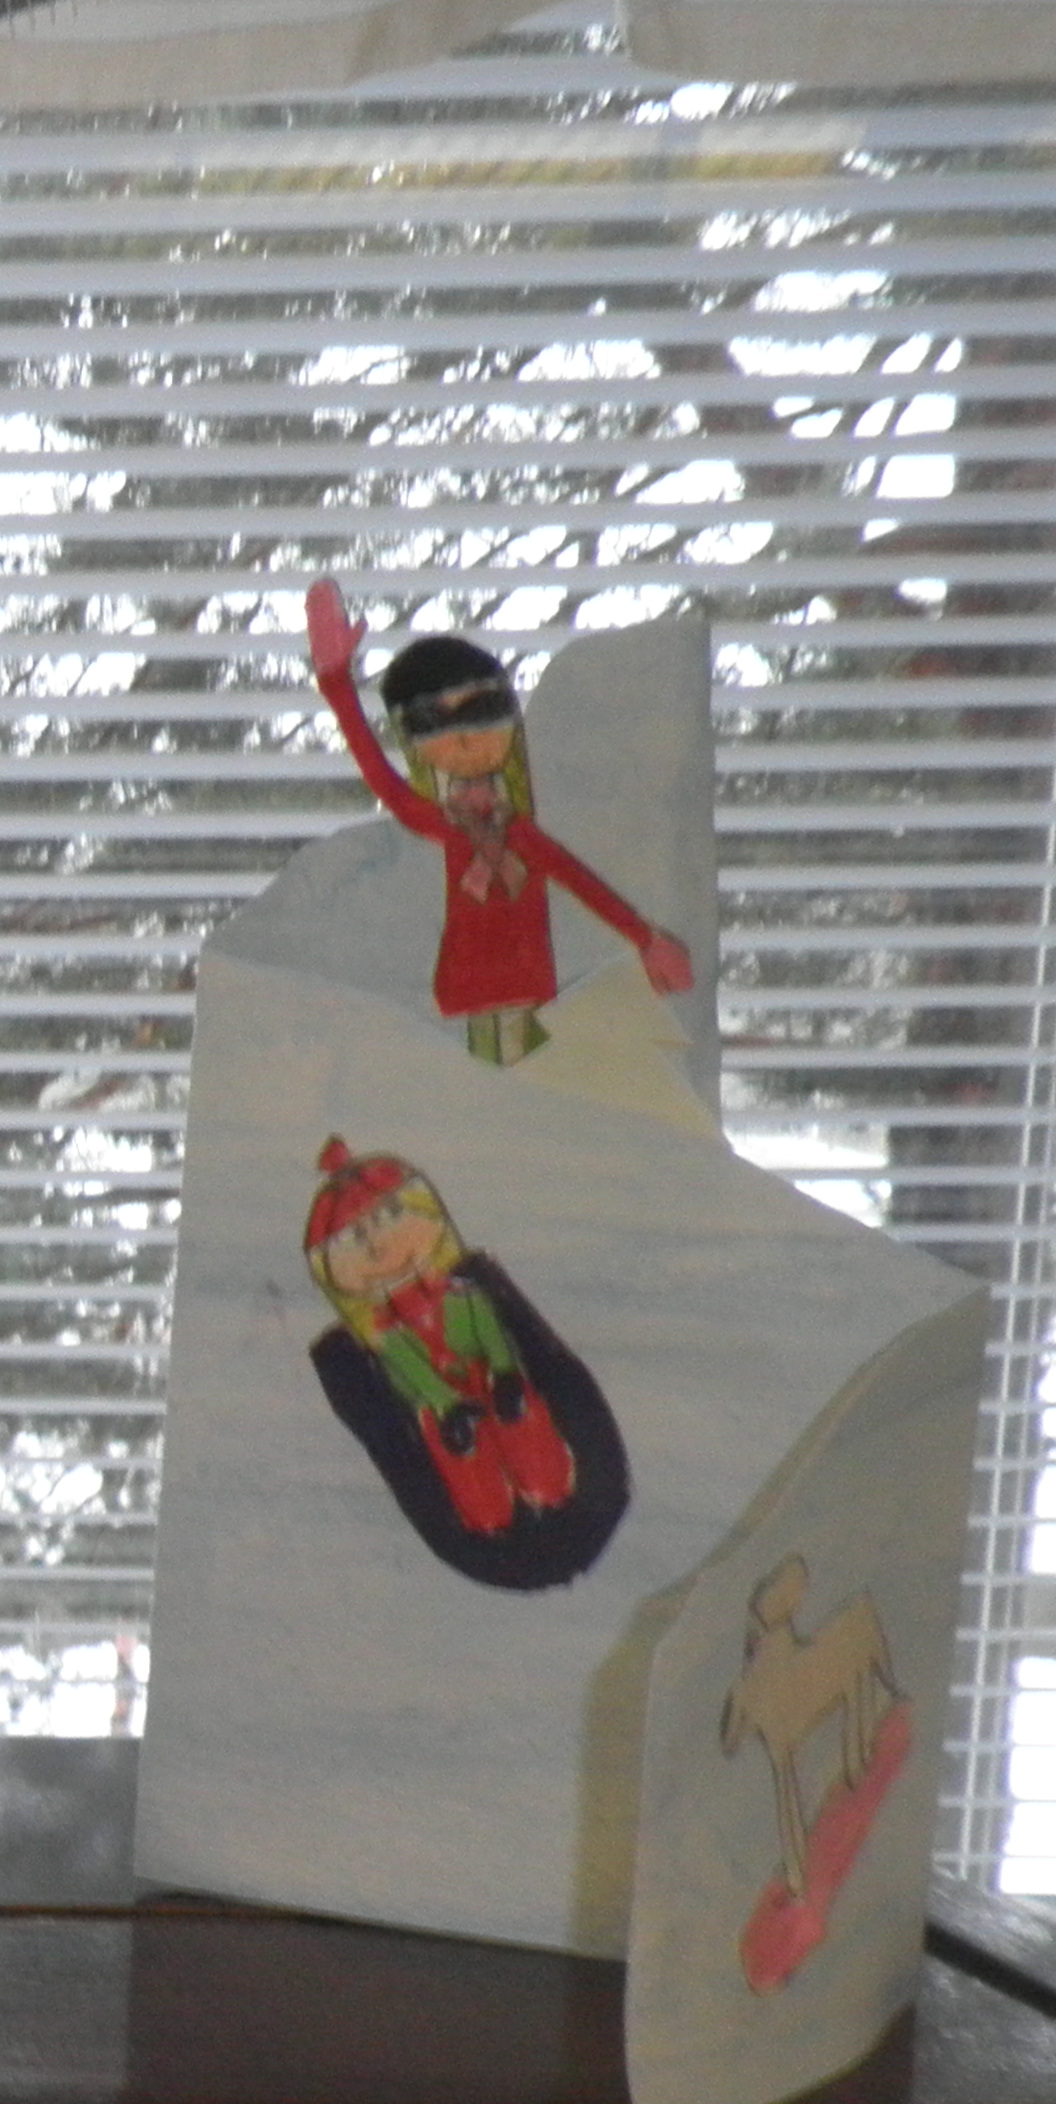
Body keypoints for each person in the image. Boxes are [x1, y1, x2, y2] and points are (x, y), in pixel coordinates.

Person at [305, 579, 693, 1067]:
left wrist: (646, 940)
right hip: (469, 979)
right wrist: (337, 686)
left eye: (482, 712)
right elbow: (381, 778)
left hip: (529, 979)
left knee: (526, 1074)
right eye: (431, 723)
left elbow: (583, 882)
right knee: (482, 1078)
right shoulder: (443, 827)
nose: (464, 739)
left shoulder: (521, 832)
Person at [303, 1137, 573, 1540]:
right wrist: (446, 1405)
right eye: (355, 1239)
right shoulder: (389, 1334)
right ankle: (490, 1518)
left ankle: (548, 1487)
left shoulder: (462, 1295)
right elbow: (411, 1374)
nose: (379, 1247)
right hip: (442, 1402)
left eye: (392, 1216)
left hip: (486, 1376)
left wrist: (504, 1371)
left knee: (518, 1413)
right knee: (459, 1448)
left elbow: (489, 1331)